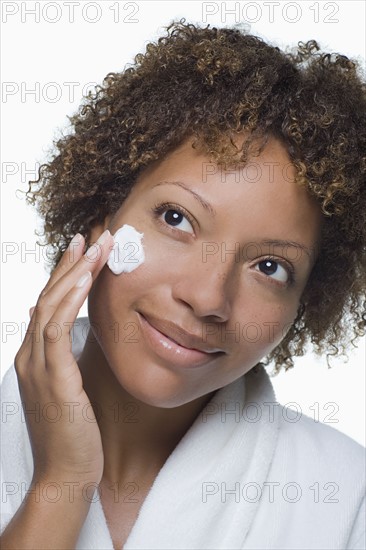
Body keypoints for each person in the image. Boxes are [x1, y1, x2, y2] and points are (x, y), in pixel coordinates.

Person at [1, 19, 365, 550]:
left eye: (270, 267)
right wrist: (61, 486)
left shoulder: (346, 500)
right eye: (176, 218)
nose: (208, 297)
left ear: (305, 302)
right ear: (102, 211)